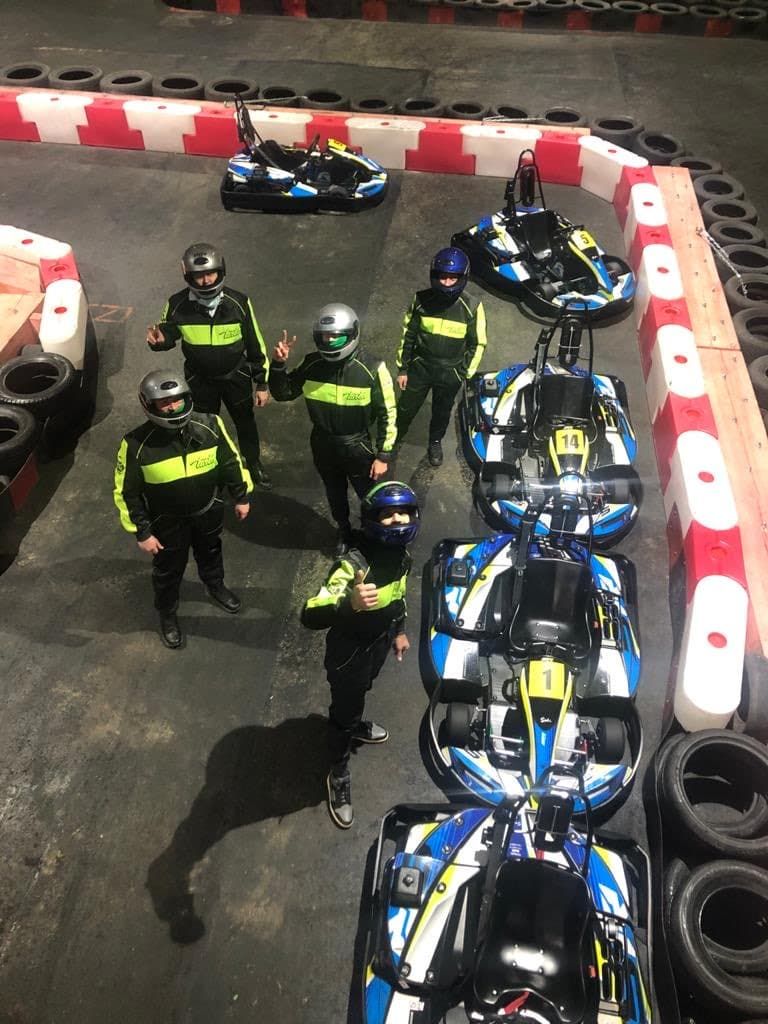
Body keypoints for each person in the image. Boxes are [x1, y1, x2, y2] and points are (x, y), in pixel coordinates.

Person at [300, 481, 420, 828]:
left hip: (378, 644)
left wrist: (398, 632)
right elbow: (310, 613)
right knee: (345, 708)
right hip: (348, 651)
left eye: (403, 513)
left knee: (363, 689)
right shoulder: (352, 565)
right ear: (371, 520)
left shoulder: (402, 557)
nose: (397, 520)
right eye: (387, 515)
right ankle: (337, 770)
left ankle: (352, 724)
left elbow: (399, 596)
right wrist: (348, 604)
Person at [113, 370, 253, 649]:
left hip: (208, 510)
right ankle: (167, 614)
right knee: (168, 571)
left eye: (177, 400)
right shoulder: (135, 445)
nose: (173, 407)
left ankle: (215, 586)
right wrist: (142, 532)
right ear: (149, 406)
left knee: (211, 552)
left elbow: (230, 462)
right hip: (167, 522)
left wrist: (241, 496)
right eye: (164, 403)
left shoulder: (210, 425)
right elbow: (126, 493)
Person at [270, 302, 397, 556]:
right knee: (334, 492)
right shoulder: (311, 364)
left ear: (351, 335)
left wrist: (383, 455)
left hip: (357, 444)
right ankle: (345, 530)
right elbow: (283, 393)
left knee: (370, 496)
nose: (329, 342)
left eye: (336, 338)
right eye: (324, 337)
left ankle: (376, 533)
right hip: (323, 443)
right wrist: (277, 365)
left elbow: (389, 413)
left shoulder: (372, 369)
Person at [146, 242, 274, 489]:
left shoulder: (239, 302)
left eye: (209, 274)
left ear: (220, 271)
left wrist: (262, 382)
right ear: (187, 276)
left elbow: (255, 343)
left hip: (236, 377)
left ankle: (253, 463)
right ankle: (213, 468)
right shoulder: (176, 304)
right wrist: (159, 342)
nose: (205, 281)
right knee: (203, 428)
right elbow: (167, 335)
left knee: (245, 423)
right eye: (198, 276)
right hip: (200, 380)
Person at [395, 246, 488, 466]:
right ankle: (393, 439)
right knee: (405, 407)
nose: (446, 282)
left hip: (451, 371)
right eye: (442, 277)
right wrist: (403, 368)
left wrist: (463, 373)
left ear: (462, 278)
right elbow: (407, 335)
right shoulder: (420, 300)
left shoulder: (472, 306)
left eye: (452, 278)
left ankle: (435, 441)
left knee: (442, 411)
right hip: (420, 367)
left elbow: (478, 343)